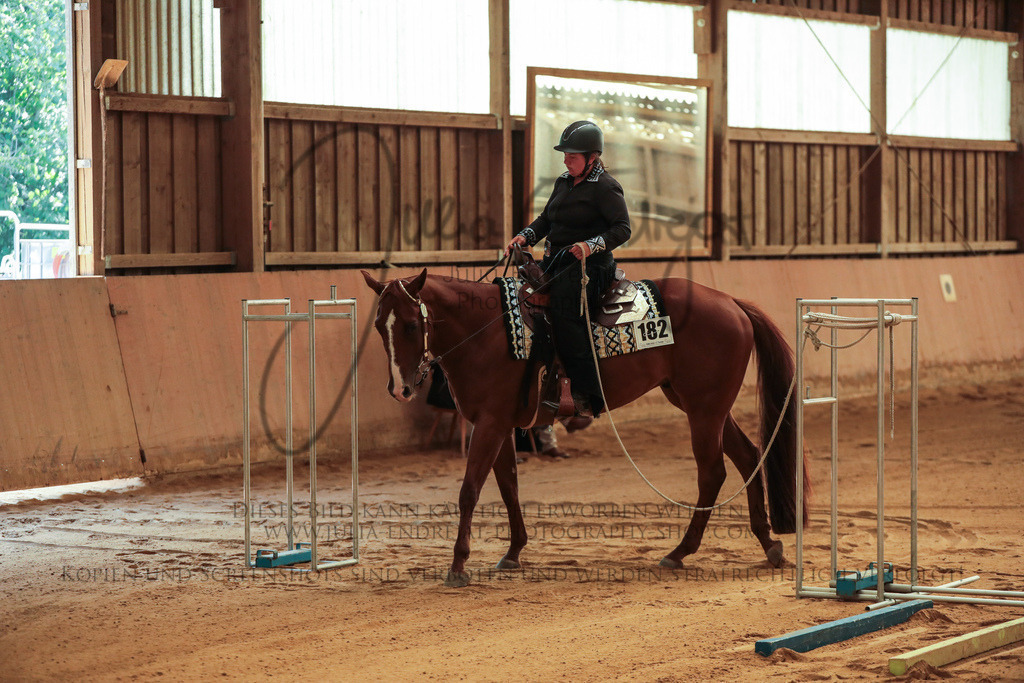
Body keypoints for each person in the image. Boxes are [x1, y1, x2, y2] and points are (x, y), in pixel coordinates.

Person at [505, 120, 631, 418]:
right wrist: (526, 235)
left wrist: (591, 245)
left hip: (590, 267)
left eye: (572, 156)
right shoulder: (563, 181)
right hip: (556, 262)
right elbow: (546, 219)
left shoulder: (606, 187)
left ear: (592, 158)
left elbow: (622, 229)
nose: (566, 160)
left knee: (564, 312)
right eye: (565, 155)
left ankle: (589, 393)